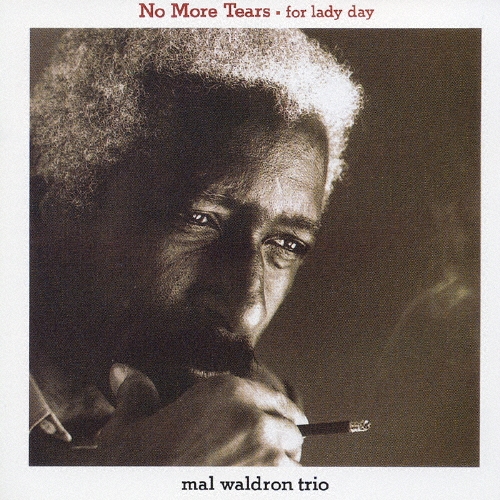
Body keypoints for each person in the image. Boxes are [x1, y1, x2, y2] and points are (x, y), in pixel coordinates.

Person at [29, 28, 362, 466]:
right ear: (55, 202)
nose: (247, 310)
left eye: (286, 243)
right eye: (200, 219)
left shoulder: (255, 426)